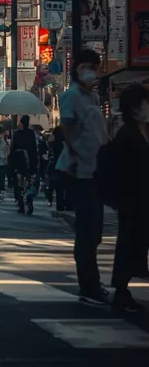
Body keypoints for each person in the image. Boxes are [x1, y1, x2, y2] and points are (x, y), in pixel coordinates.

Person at [57, 48, 109, 306]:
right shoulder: (71, 96)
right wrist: (76, 153)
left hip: (96, 169)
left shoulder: (94, 97)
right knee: (88, 231)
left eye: (93, 67)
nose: (89, 71)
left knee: (95, 231)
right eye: (84, 66)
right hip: (79, 169)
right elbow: (66, 128)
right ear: (75, 69)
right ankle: (88, 286)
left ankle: (92, 283)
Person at [107, 85, 149, 314]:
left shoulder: (142, 131)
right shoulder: (127, 135)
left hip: (141, 198)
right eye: (145, 104)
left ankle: (122, 290)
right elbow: (120, 170)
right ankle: (121, 290)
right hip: (132, 200)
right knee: (129, 243)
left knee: (133, 244)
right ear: (134, 108)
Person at [11, 115, 39, 215]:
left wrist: (11, 161)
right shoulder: (31, 133)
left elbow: (13, 148)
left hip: (19, 162)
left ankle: (21, 203)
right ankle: (29, 199)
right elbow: (35, 148)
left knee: (19, 183)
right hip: (30, 162)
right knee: (30, 182)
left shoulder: (17, 134)